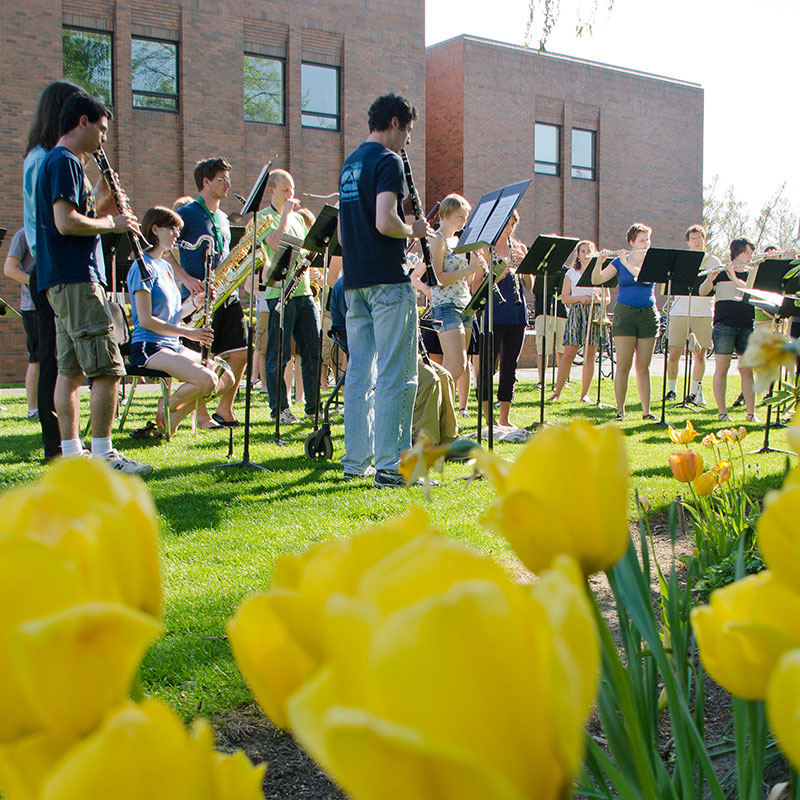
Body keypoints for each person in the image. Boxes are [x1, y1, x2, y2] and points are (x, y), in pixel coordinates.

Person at [34, 92, 151, 474]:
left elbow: (77, 218)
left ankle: (72, 454)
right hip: (77, 278)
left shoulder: (59, 162)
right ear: (82, 122)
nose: (103, 139)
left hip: (61, 281)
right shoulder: (66, 160)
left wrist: (103, 203)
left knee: (70, 371)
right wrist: (113, 224)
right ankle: (103, 456)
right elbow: (66, 222)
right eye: (101, 130)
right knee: (107, 368)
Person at [338, 92, 433, 487]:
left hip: (355, 280)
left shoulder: (350, 163)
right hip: (388, 283)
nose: (408, 140)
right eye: (408, 130)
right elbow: (384, 220)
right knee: (398, 373)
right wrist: (413, 230)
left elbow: (351, 230)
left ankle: (355, 461)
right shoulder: (388, 160)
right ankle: (391, 466)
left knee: (360, 372)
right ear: (395, 122)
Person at [127, 206, 233, 435]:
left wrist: (196, 303)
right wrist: (189, 334)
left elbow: (174, 313)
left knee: (226, 376)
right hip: (149, 347)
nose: (177, 235)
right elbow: (145, 320)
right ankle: (165, 410)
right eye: (172, 229)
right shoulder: (141, 266)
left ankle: (171, 414)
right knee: (207, 380)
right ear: (154, 229)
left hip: (171, 345)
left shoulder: (165, 267)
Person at [23, 80, 85, 460]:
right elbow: (44, 220)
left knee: (66, 358)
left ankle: (67, 440)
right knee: (51, 358)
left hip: (59, 265)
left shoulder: (57, 157)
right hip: (47, 266)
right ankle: (55, 444)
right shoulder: (42, 159)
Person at [168, 157, 246, 428]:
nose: (228, 184)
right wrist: (186, 278)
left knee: (240, 353)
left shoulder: (223, 218)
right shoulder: (187, 214)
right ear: (206, 182)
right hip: (198, 299)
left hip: (226, 293)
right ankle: (199, 416)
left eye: (228, 179)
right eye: (222, 179)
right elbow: (163, 249)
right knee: (203, 359)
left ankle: (224, 409)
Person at [259, 170, 321, 423]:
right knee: (279, 354)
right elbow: (275, 242)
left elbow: (305, 249)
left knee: (312, 351)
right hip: (279, 293)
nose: (291, 195)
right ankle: (280, 409)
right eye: (286, 190)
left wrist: (312, 266)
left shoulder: (297, 219)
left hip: (304, 291)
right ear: (272, 190)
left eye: (292, 189)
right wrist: (284, 213)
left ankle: (314, 408)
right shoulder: (263, 218)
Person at [592, 223, 658, 421]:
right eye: (642, 240)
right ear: (632, 242)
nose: (646, 243)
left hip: (647, 314)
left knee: (643, 366)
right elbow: (598, 279)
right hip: (624, 315)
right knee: (623, 365)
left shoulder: (651, 260)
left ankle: (646, 411)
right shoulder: (619, 263)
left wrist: (624, 261)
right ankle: (620, 411)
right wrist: (599, 261)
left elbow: (643, 278)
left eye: (648, 239)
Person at [428, 193, 484, 404]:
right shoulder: (438, 239)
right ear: (446, 214)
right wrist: (468, 269)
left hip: (465, 305)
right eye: (460, 216)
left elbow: (468, 280)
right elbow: (437, 278)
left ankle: (445, 413)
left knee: (462, 366)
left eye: (465, 217)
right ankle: (430, 406)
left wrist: (478, 264)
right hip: (445, 306)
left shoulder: (459, 242)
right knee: (456, 365)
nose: (464, 221)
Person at [478, 210, 531, 429]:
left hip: (516, 313)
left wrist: (525, 265)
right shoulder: (484, 249)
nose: (509, 229)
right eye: (506, 224)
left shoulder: (520, 247)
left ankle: (504, 418)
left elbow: (531, 285)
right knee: (488, 366)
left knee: (510, 366)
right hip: (493, 312)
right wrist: (501, 272)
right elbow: (478, 285)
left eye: (513, 225)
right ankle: (488, 419)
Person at [699, 237, 757, 422]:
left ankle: (750, 413)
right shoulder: (721, 271)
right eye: (747, 253)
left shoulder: (752, 273)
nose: (750, 256)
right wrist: (710, 279)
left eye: (751, 253)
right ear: (737, 253)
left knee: (747, 370)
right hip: (724, 325)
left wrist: (734, 278)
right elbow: (703, 291)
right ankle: (722, 412)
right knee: (721, 369)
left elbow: (751, 291)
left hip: (747, 325)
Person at [665, 224, 719, 406]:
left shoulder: (714, 261)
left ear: (705, 240)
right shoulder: (680, 259)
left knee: (699, 354)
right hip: (680, 311)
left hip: (703, 313)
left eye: (700, 238)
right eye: (693, 238)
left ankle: (695, 391)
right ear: (687, 241)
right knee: (674, 353)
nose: (697, 241)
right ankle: (671, 390)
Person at [548, 240, 607, 403]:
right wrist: (581, 298)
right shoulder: (571, 274)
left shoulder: (600, 273)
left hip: (593, 313)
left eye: (590, 250)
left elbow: (607, 298)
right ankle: (557, 392)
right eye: (583, 251)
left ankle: (584, 394)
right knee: (568, 354)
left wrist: (598, 299)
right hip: (576, 312)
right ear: (578, 255)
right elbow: (564, 298)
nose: (586, 253)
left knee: (590, 355)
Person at [3, 229, 40, 418]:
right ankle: (33, 409)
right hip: (33, 306)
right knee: (37, 357)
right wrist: (37, 283)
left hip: (56, 304)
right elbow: (9, 269)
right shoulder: (24, 235)